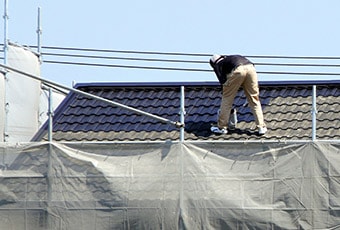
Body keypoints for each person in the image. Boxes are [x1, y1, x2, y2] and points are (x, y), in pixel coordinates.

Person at [209, 54, 267, 135]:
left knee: (227, 99)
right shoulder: (229, 58)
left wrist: (227, 91)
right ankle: (261, 127)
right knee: (254, 98)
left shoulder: (218, 65)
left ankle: (221, 127)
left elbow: (223, 82)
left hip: (238, 70)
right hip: (251, 68)